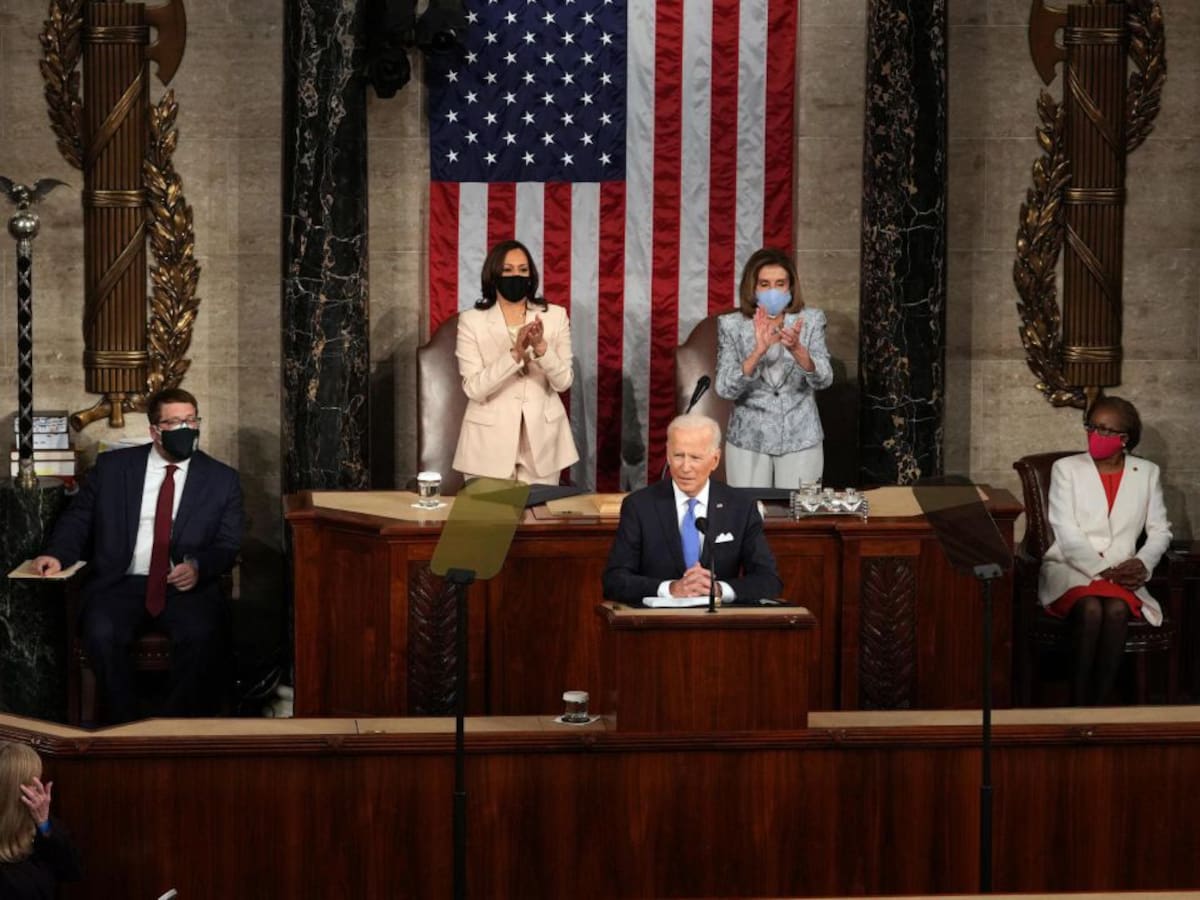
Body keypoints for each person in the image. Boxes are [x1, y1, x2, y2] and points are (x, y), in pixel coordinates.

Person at [34, 388, 243, 722]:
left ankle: (171, 729)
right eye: (174, 423)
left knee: (203, 635)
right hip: (120, 582)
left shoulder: (222, 479)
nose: (185, 429)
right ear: (154, 431)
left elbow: (228, 544)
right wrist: (57, 555)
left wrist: (198, 566)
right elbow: (79, 518)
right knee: (101, 632)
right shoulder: (114, 468)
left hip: (184, 587)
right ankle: (125, 725)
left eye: (191, 420)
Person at [1039, 395, 1172, 705]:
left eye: (1104, 429)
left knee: (1115, 610)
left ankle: (1099, 709)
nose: (1094, 434)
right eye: (1091, 426)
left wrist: (1143, 563)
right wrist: (1102, 570)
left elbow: (1160, 530)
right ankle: (1077, 705)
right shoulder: (1066, 469)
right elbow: (1065, 529)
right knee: (1090, 608)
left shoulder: (1147, 472)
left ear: (1124, 438)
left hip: (1124, 571)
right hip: (1072, 568)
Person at [602, 413, 782, 605]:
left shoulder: (740, 507)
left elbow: (769, 580)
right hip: (658, 619)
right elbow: (614, 581)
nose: (685, 467)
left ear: (715, 460)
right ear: (668, 455)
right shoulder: (639, 506)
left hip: (719, 620)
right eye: (678, 456)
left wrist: (718, 590)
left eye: (695, 457)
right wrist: (670, 589)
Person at [452, 239, 579, 485]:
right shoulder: (471, 321)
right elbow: (474, 389)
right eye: (507, 270)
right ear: (493, 275)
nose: (516, 276)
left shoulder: (555, 316)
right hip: (488, 445)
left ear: (531, 275)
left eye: (523, 270)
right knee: (491, 512)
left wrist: (541, 348)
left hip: (542, 445)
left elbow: (563, 382)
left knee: (536, 511)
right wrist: (515, 355)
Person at [715, 248, 833, 488]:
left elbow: (824, 380)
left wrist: (798, 351)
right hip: (748, 439)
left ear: (791, 287)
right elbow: (725, 388)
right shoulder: (731, 325)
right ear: (752, 288)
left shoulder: (811, 320)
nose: (773, 291)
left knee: (798, 510)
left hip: (801, 437)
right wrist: (757, 352)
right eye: (764, 284)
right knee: (749, 511)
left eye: (780, 284)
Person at [0, 741, 82, 898]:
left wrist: (44, 824)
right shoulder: (13, 882)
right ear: (16, 792)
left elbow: (71, 870)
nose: (40, 792)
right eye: (35, 783)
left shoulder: (37, 822)